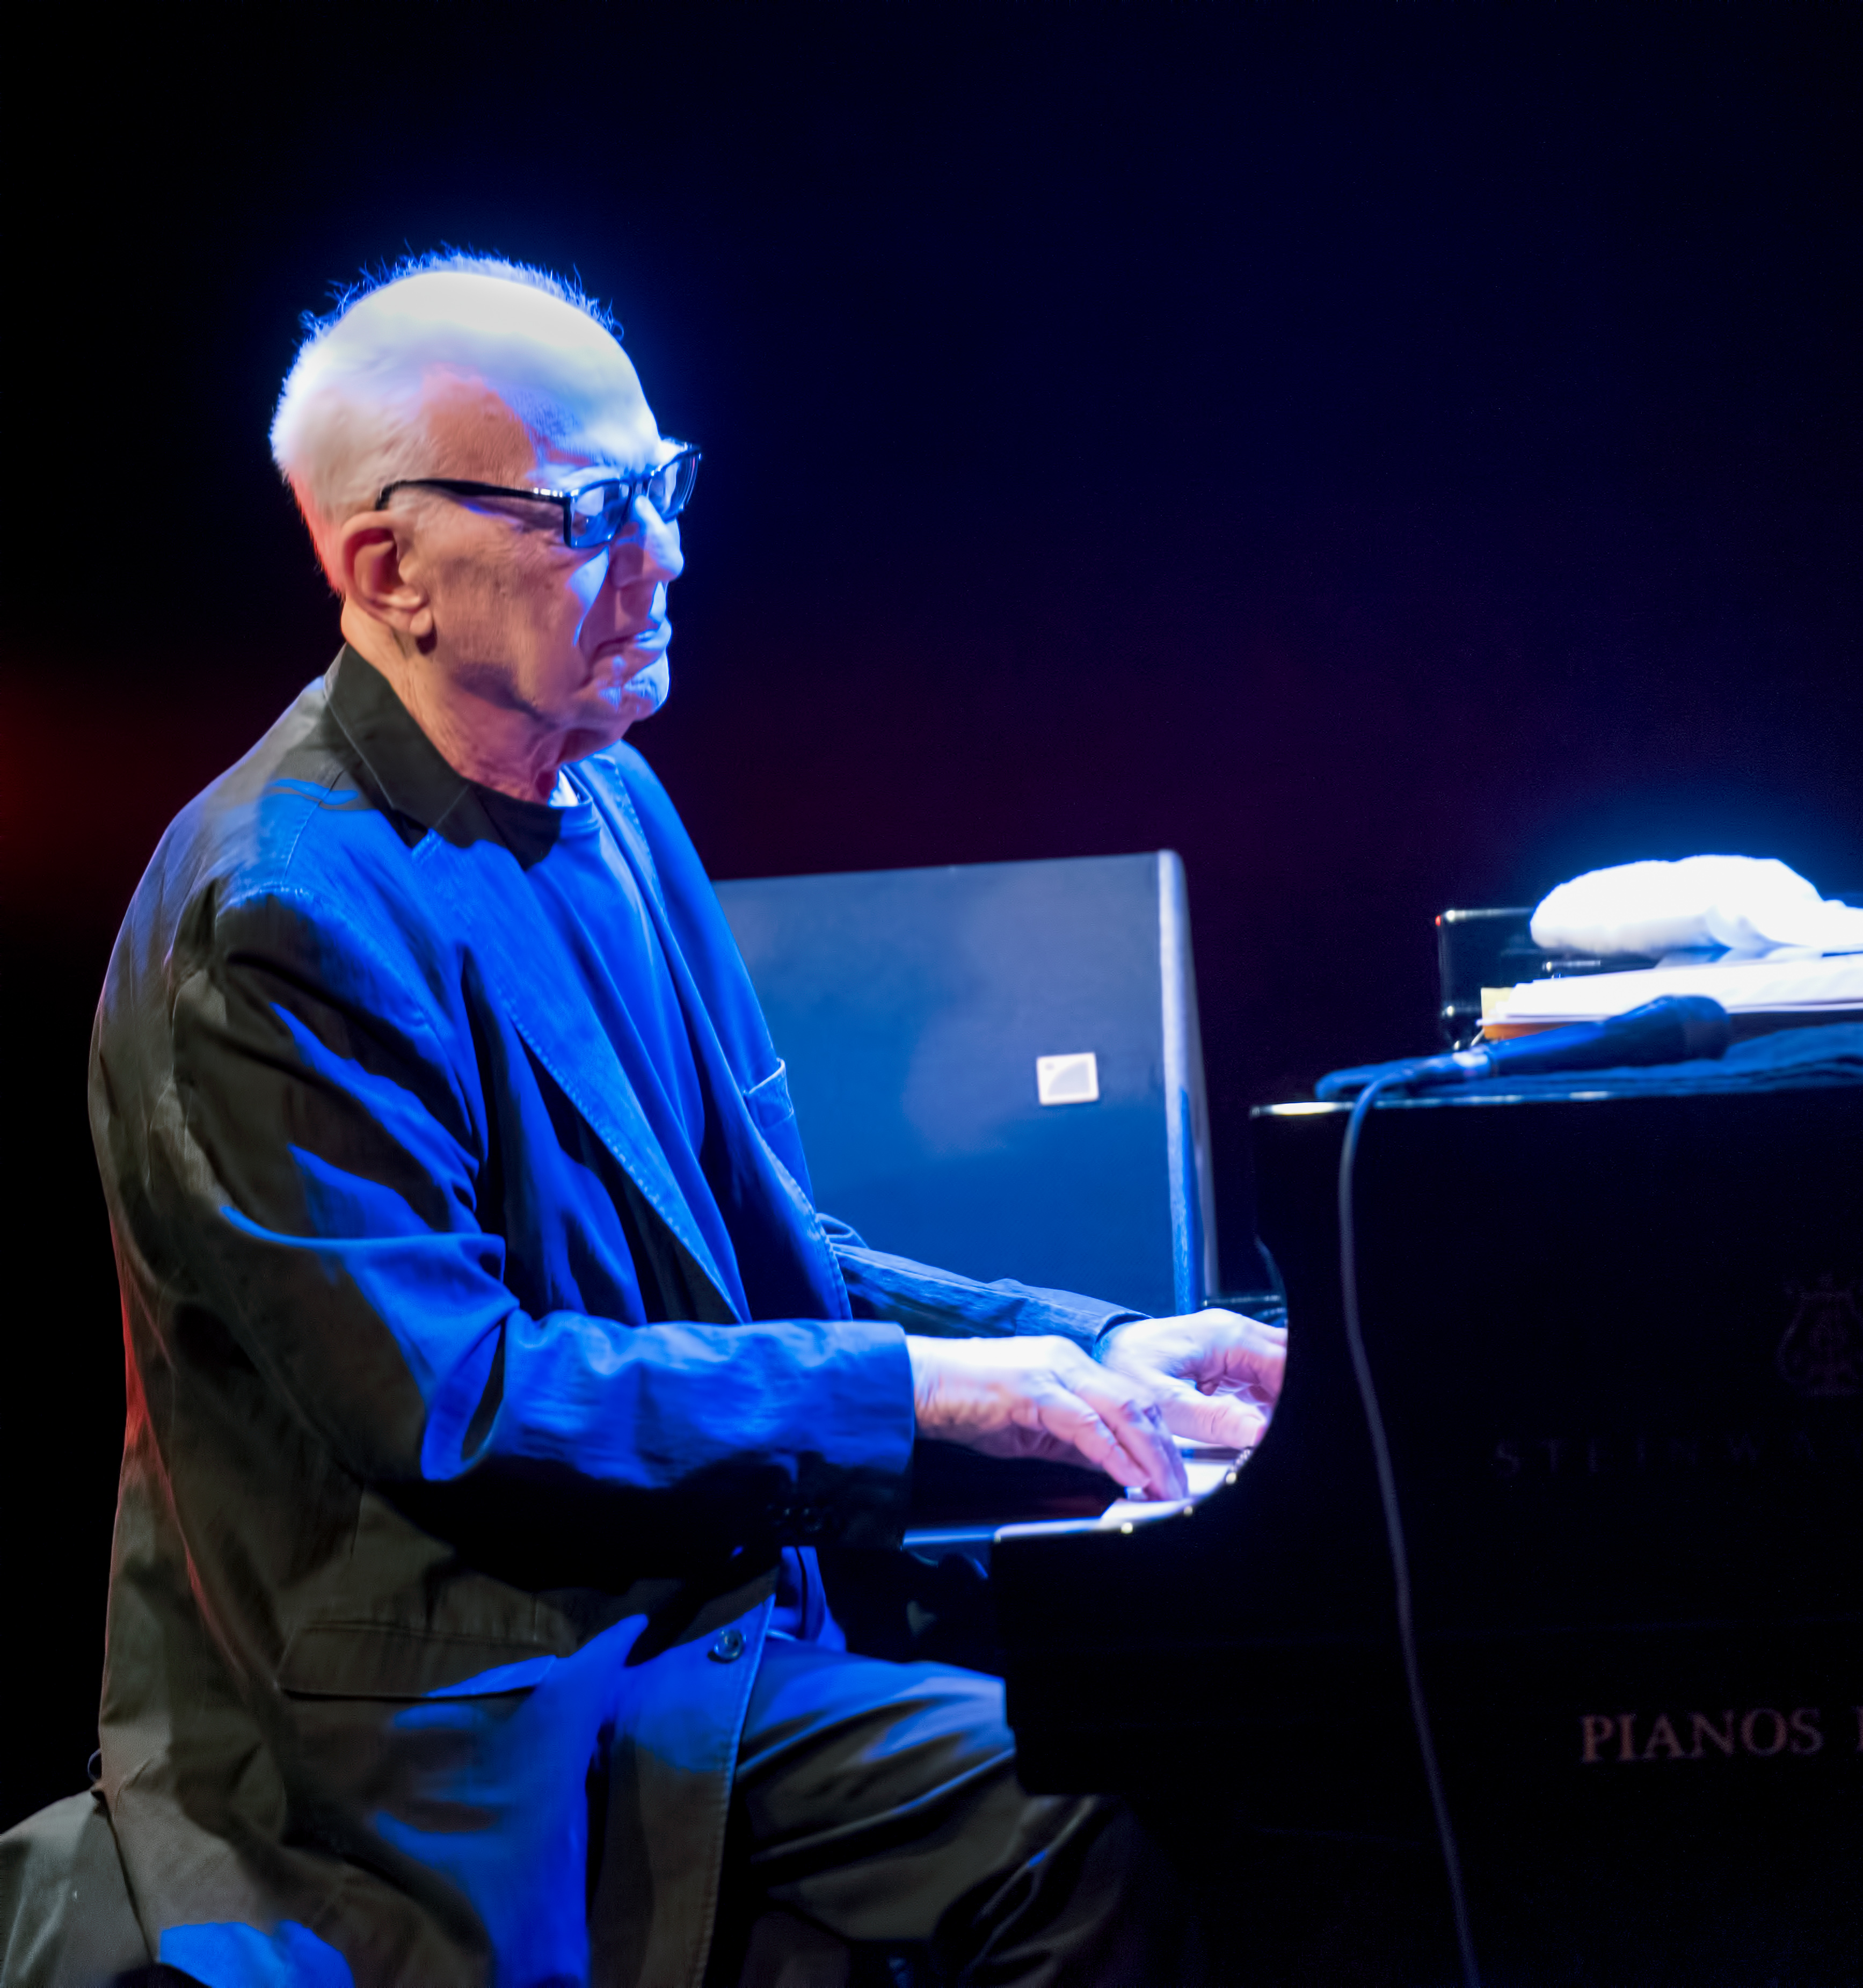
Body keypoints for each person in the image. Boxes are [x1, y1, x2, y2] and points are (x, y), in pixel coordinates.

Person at [70, 253, 1286, 1986]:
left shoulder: (612, 795)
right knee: (1086, 1824)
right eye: (593, 511)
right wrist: (935, 1393)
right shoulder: (280, 918)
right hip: (462, 1716)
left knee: (1207, 1742)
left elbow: (768, 1260)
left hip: (694, 1635)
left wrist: (1095, 1345)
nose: (668, 556)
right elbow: (459, 1404)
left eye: (668, 487)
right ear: (386, 568)